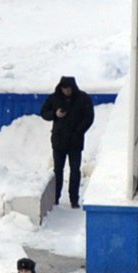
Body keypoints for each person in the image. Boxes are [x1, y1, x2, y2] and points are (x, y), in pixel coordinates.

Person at [41, 75, 95, 209]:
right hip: (59, 141)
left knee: (75, 171)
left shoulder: (82, 98)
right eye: (64, 89)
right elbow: (43, 112)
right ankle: (55, 198)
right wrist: (55, 114)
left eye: (69, 89)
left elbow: (89, 117)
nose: (66, 91)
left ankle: (74, 199)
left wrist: (79, 131)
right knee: (58, 171)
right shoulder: (54, 98)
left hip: (75, 142)